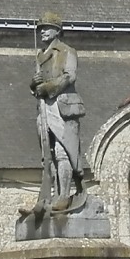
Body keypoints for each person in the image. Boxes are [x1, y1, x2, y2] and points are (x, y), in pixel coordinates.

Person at [29, 12, 86, 213]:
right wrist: (34, 84)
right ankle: (51, 196)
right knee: (48, 154)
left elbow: (69, 76)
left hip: (63, 108)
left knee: (63, 152)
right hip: (44, 108)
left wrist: (47, 87)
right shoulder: (40, 56)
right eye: (41, 29)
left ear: (57, 31)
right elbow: (37, 85)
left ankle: (64, 196)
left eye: (46, 28)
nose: (43, 32)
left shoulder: (67, 52)